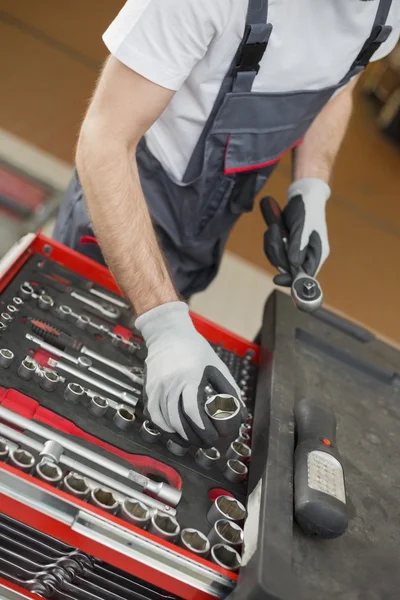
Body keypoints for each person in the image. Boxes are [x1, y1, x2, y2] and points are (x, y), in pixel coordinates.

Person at [54, 0, 400, 448]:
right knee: (69, 381)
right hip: (128, 198)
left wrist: (311, 188)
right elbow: (104, 141)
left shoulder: (385, 13)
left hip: (212, 219)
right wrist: (164, 323)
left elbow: (338, 88)